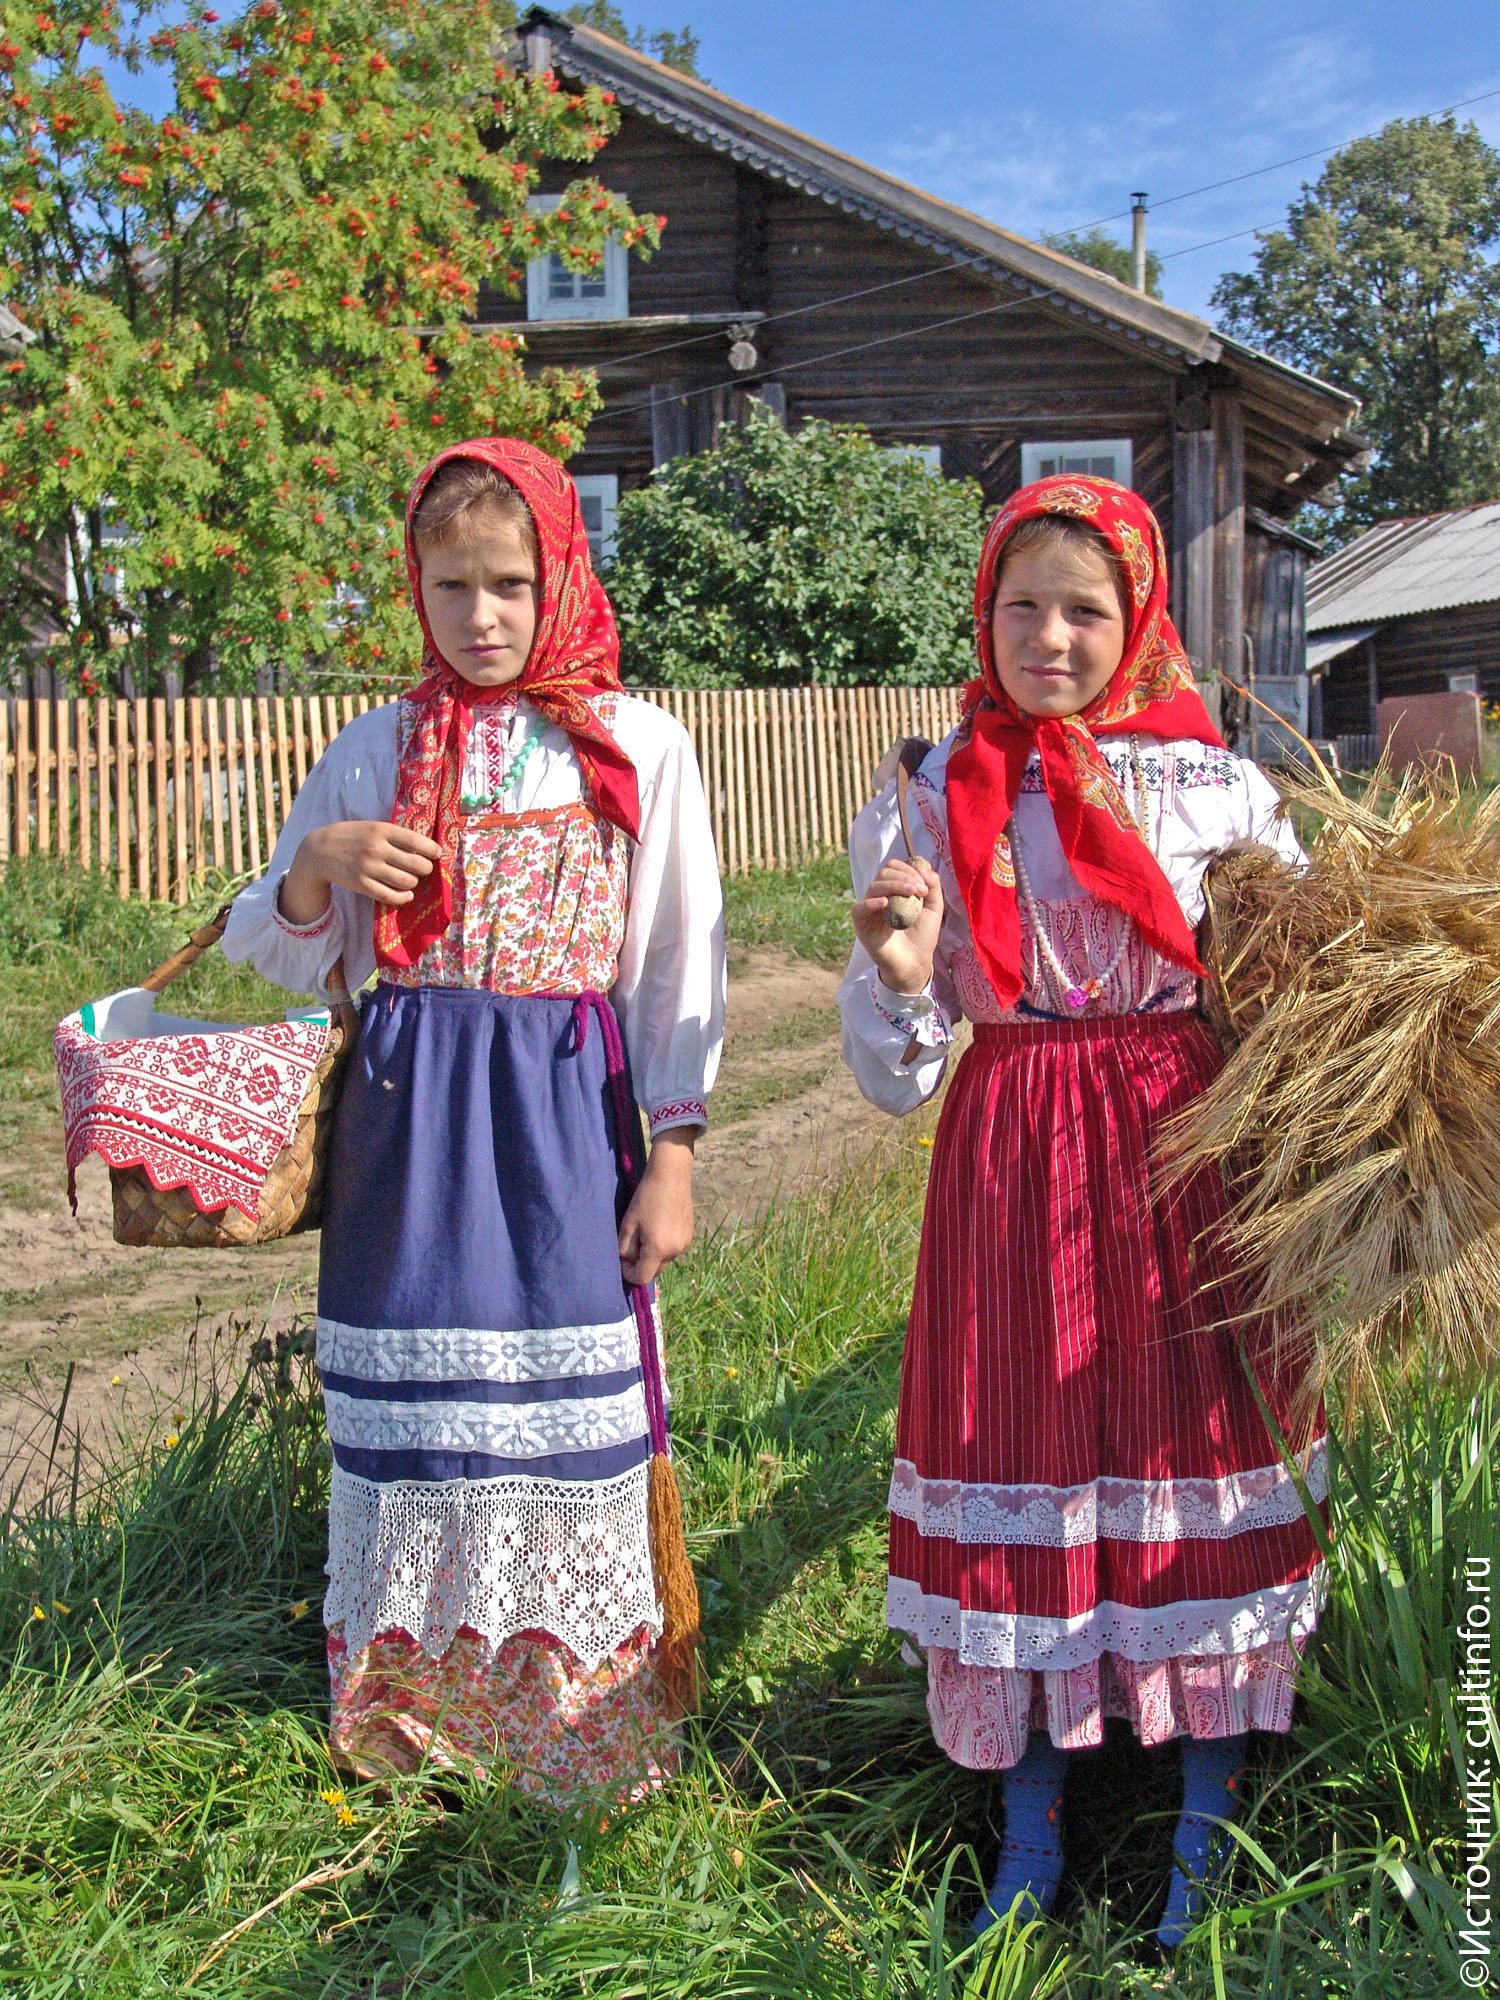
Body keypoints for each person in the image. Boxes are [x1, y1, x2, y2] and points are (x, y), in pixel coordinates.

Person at [839, 476, 1325, 1950]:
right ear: (983, 617)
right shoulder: (932, 793)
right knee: (1025, 1441)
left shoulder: (1221, 792)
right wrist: (909, 974)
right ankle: (1032, 1810)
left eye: (1085, 610)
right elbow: (889, 1077)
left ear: (1141, 622)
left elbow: (1301, 1004)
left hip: (1190, 1147)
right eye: (1022, 607)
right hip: (1014, 1149)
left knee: (1192, 1436)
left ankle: (1206, 1799)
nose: (1051, 635)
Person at [224, 438, 725, 1807]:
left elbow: (679, 958)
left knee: (559, 1425)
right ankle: (415, 1726)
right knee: (423, 1424)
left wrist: (669, 1154)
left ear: (560, 575)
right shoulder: (381, 747)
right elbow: (271, 946)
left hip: (564, 1115)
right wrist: (321, 866)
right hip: (410, 1122)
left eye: (511, 582)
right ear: (417, 586)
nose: (484, 616)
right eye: (453, 586)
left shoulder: (632, 749)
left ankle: (578, 1731)